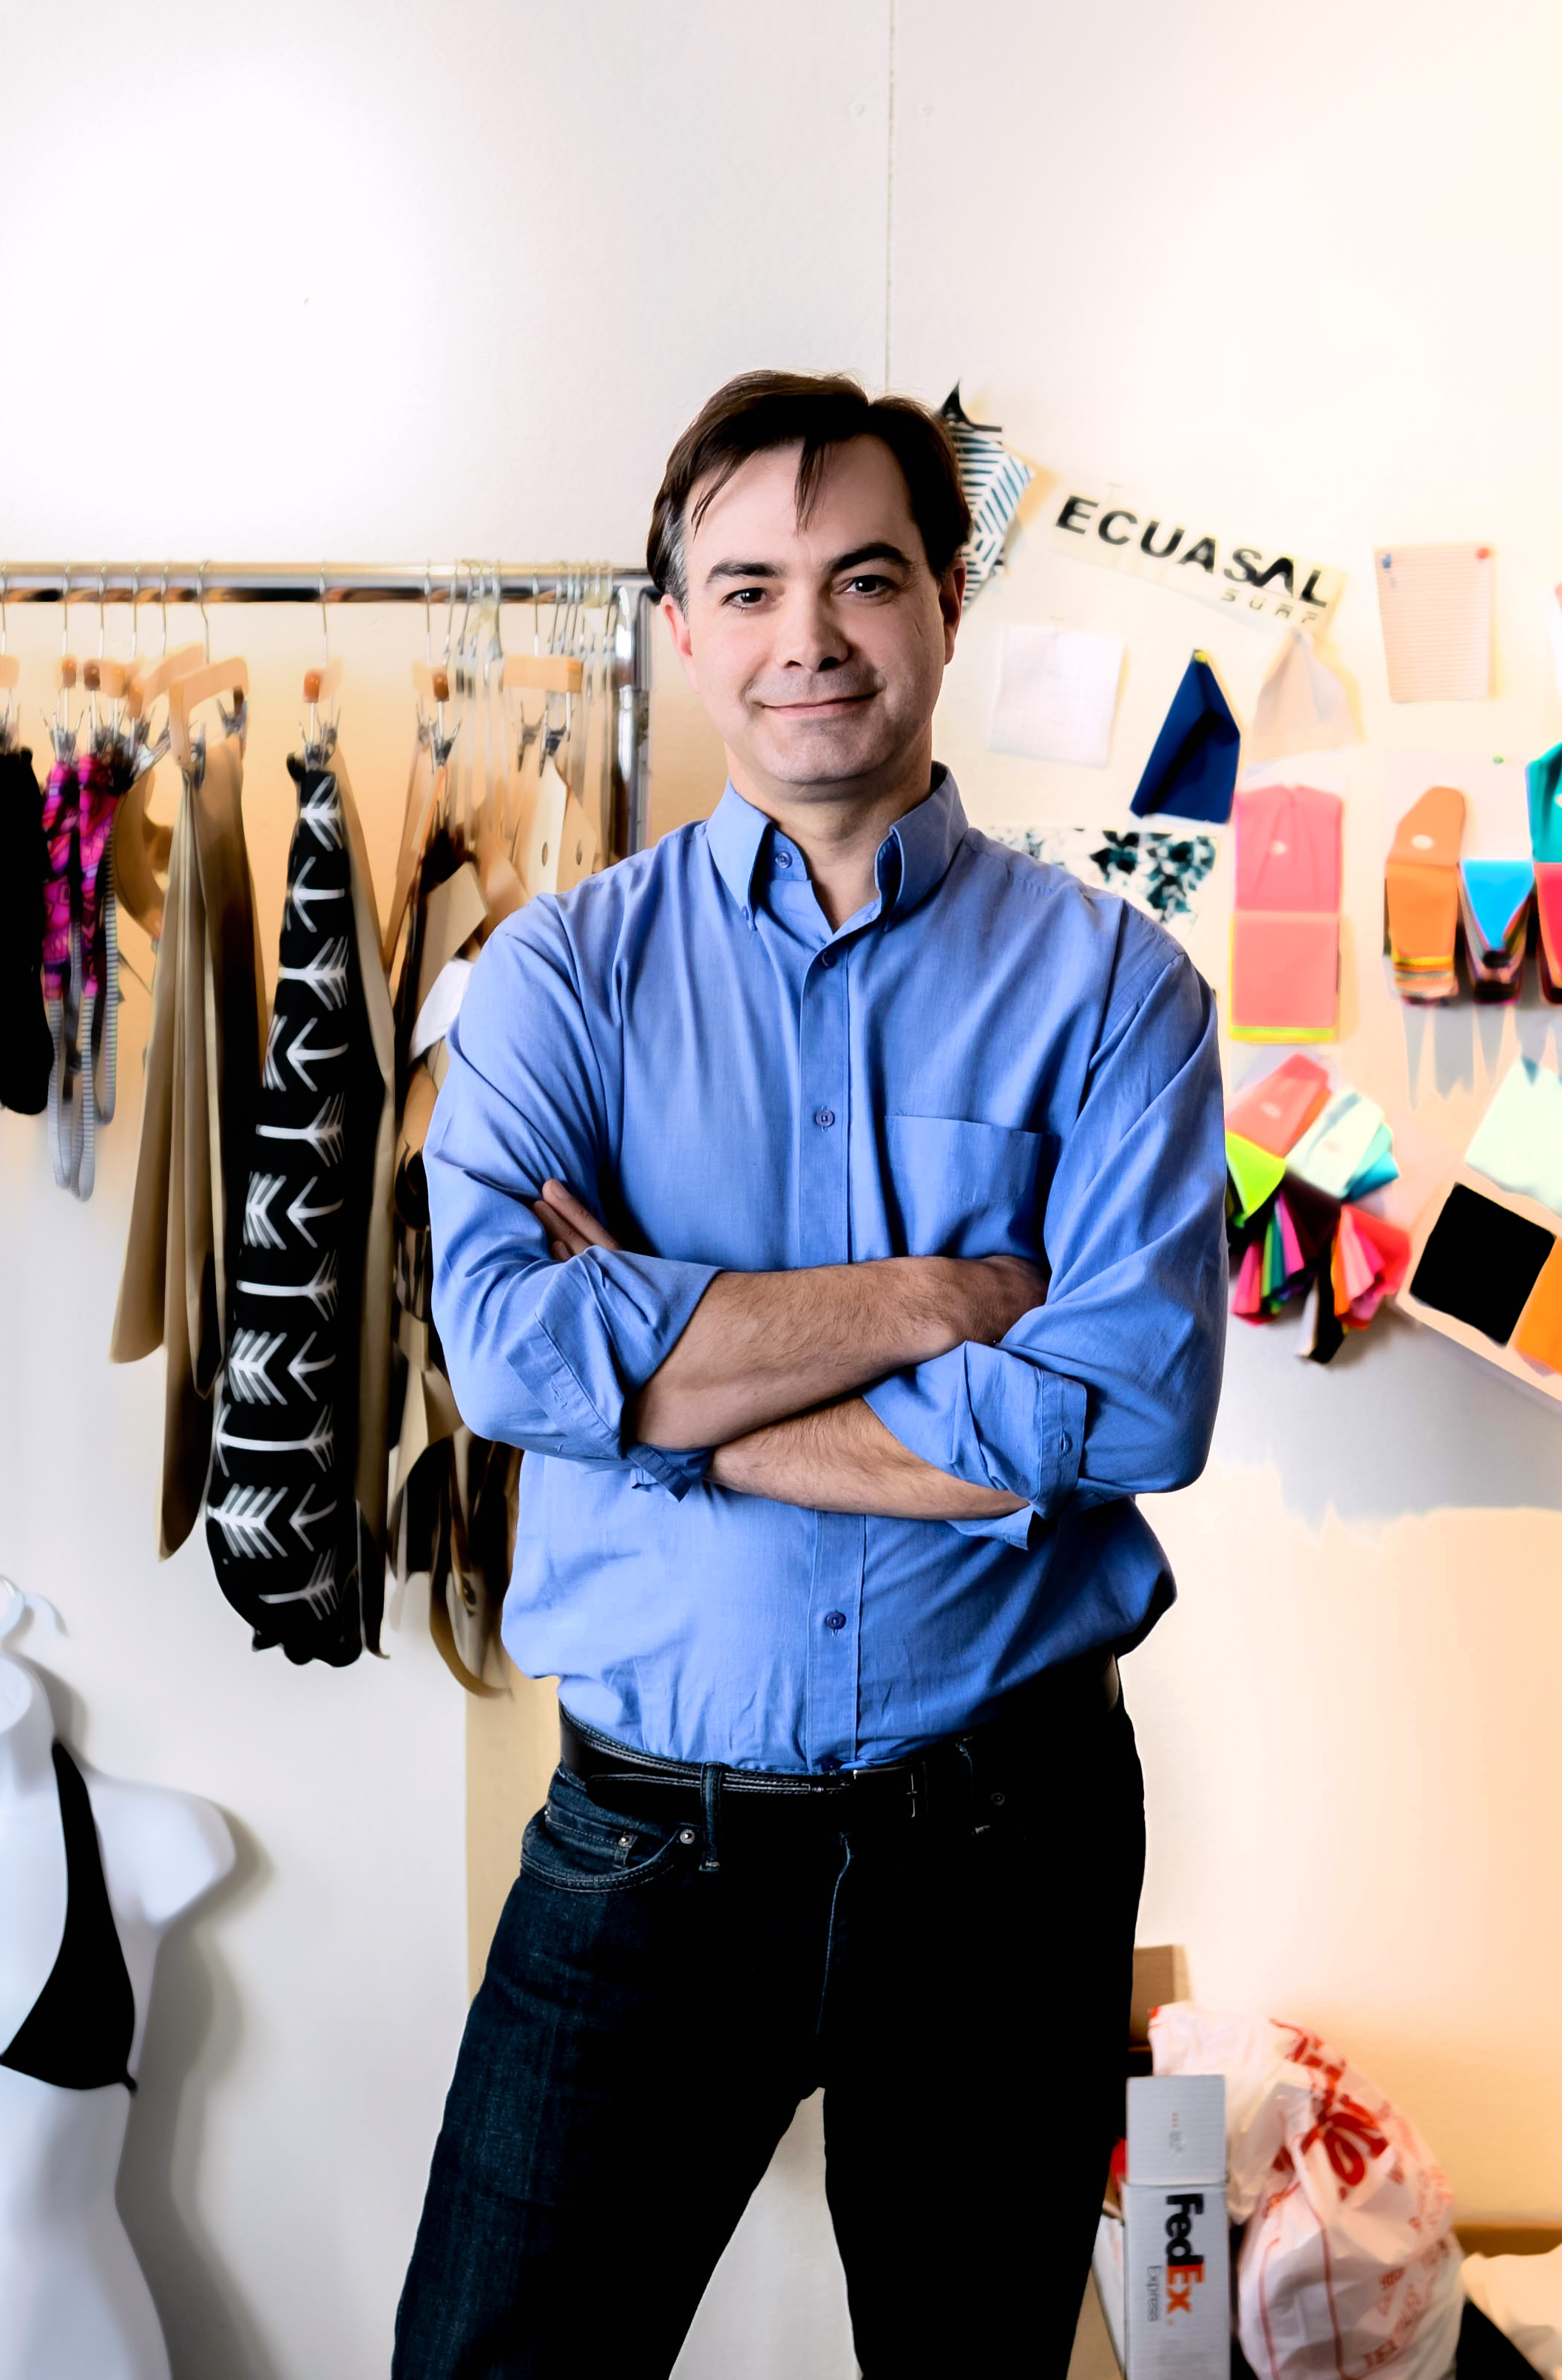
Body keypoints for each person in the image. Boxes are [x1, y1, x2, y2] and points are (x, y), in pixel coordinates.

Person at [394, 371, 1230, 2374]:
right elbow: (508, 1350)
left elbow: (1128, 1408)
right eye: (749, 587)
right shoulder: (559, 982)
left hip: (1009, 1850)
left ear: (948, 600)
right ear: (681, 628)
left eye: (864, 577)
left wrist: (672, 1404)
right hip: (646, 1850)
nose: (809, 638)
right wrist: (937, 1299)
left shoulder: (1119, 990)